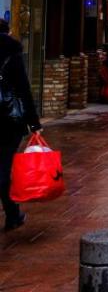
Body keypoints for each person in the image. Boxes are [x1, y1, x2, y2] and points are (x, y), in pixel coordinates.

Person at [0, 19, 42, 231]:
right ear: (7, 32)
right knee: (4, 168)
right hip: (9, 121)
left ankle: (13, 213)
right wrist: (34, 122)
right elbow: (23, 89)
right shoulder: (12, 55)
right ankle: (12, 214)